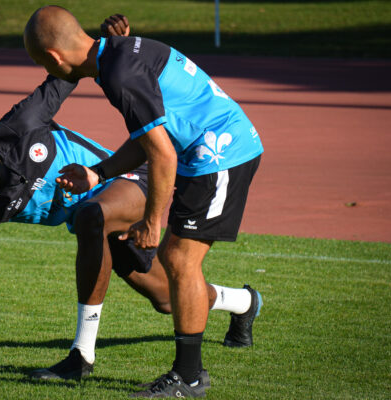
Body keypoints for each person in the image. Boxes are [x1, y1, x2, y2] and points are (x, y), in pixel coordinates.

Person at [24, 7, 264, 397]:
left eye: (42, 64)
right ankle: (240, 306)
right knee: (173, 265)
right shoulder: (115, 56)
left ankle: (189, 377)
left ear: (54, 57)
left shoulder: (118, 73)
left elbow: (162, 155)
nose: (47, 71)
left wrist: (153, 221)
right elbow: (150, 136)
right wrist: (99, 173)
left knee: (179, 260)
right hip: (205, 152)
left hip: (222, 153)